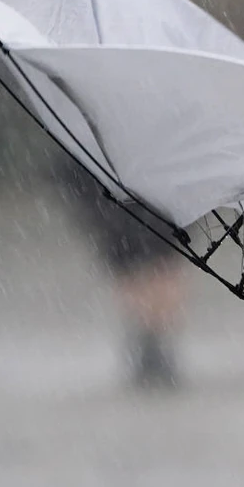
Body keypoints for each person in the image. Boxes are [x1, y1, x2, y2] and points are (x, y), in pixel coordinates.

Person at [55, 160, 188, 389]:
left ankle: (151, 338)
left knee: (148, 259)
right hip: (134, 181)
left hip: (125, 182)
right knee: (145, 259)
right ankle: (150, 338)